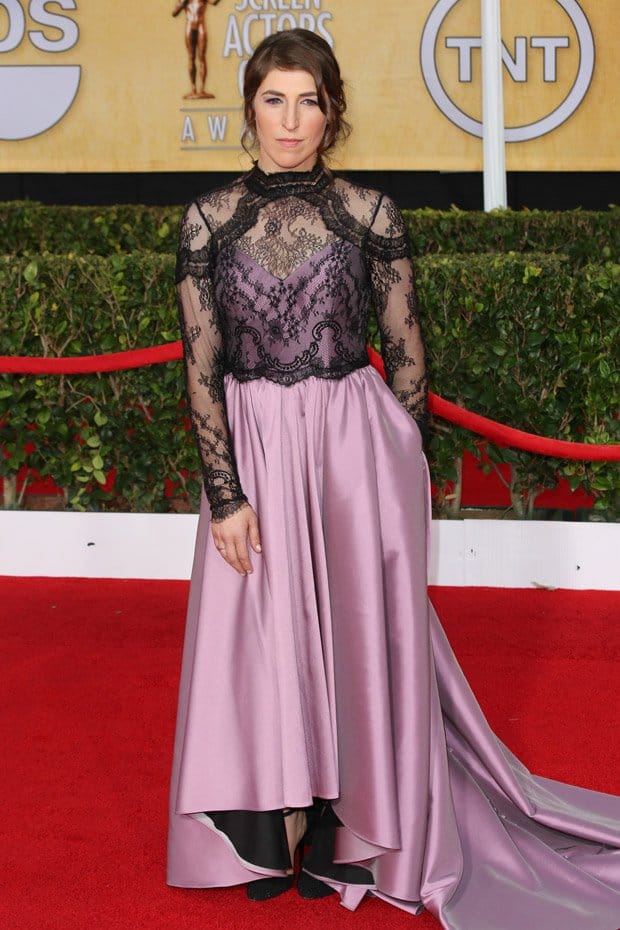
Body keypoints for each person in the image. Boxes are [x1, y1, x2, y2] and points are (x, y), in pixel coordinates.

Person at [167, 28, 620, 929]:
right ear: (249, 108)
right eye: (274, 99)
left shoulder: (370, 212)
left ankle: (345, 827)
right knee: (261, 629)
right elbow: (200, 364)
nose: (291, 120)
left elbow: (409, 354)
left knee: (359, 635)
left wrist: (399, 467)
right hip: (254, 446)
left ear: (332, 112)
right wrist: (225, 495)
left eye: (309, 100)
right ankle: (271, 818)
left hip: (353, 450)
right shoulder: (209, 219)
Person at [172, 0, 221, 99]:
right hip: (190, 26)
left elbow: (214, 2)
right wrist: (182, 3)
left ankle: (202, 89)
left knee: (202, 57)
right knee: (191, 57)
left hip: (200, 26)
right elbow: (174, 13)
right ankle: (193, 89)